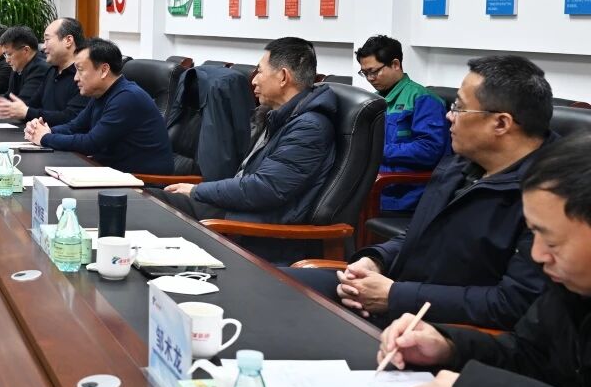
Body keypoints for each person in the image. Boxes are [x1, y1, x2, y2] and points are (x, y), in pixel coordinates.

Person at [292, 56, 552, 329]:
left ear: (501, 124)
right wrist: (375, 260)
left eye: (459, 108)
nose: (449, 116)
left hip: (439, 329)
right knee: (282, 287)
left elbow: (510, 304)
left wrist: (394, 296)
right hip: (397, 295)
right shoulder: (460, 165)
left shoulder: (549, 197)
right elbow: (417, 233)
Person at [381, 135, 591, 387]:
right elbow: (529, 354)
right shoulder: (570, 286)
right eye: (534, 235)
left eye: (551, 240)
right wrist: (448, 347)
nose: (538, 255)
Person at [161, 37, 337, 261]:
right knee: (154, 199)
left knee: (160, 204)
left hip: (259, 229)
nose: (253, 80)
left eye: (260, 71)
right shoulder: (281, 116)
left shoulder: (308, 128)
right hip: (244, 212)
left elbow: (265, 188)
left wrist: (198, 191)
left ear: (283, 77)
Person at [24, 38, 173, 175]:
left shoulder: (127, 98)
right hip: (111, 173)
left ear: (104, 70)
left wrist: (45, 138)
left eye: (80, 70)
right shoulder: (101, 93)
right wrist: (42, 130)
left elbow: (91, 143)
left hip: (142, 182)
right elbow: (74, 126)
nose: (75, 78)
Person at [355, 35, 449, 212]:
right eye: (365, 73)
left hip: (404, 191)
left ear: (395, 64)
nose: (370, 78)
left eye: (373, 71)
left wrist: (377, 150)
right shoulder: (372, 100)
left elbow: (429, 149)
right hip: (375, 185)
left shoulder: (422, 99)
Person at [0, 17, 89, 126]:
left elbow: (73, 117)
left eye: (47, 39)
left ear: (68, 41)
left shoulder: (85, 75)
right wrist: (8, 109)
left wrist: (26, 112)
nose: (43, 47)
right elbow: (33, 105)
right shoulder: (52, 71)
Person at [0, 26, 49, 122]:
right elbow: (10, 96)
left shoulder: (40, 68)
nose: (7, 60)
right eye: (5, 55)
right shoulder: (19, 64)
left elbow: (23, 103)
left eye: (9, 54)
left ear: (25, 50)